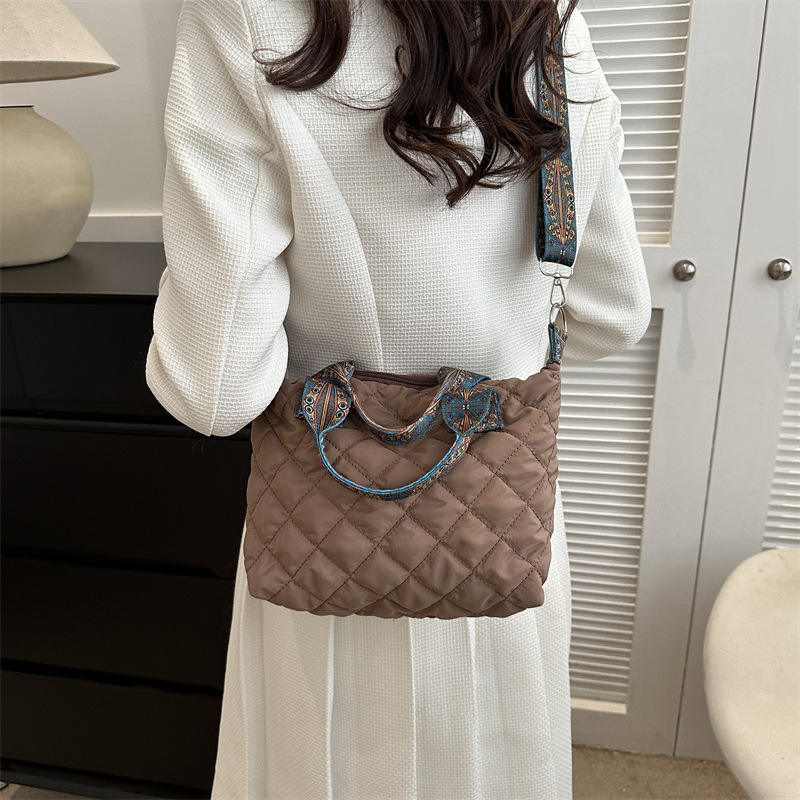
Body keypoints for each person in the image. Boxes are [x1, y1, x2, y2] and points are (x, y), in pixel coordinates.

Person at [146, 0, 652, 797]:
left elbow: (213, 390)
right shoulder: (548, 20)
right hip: (503, 524)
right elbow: (613, 311)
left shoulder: (244, 13)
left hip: (327, 534)